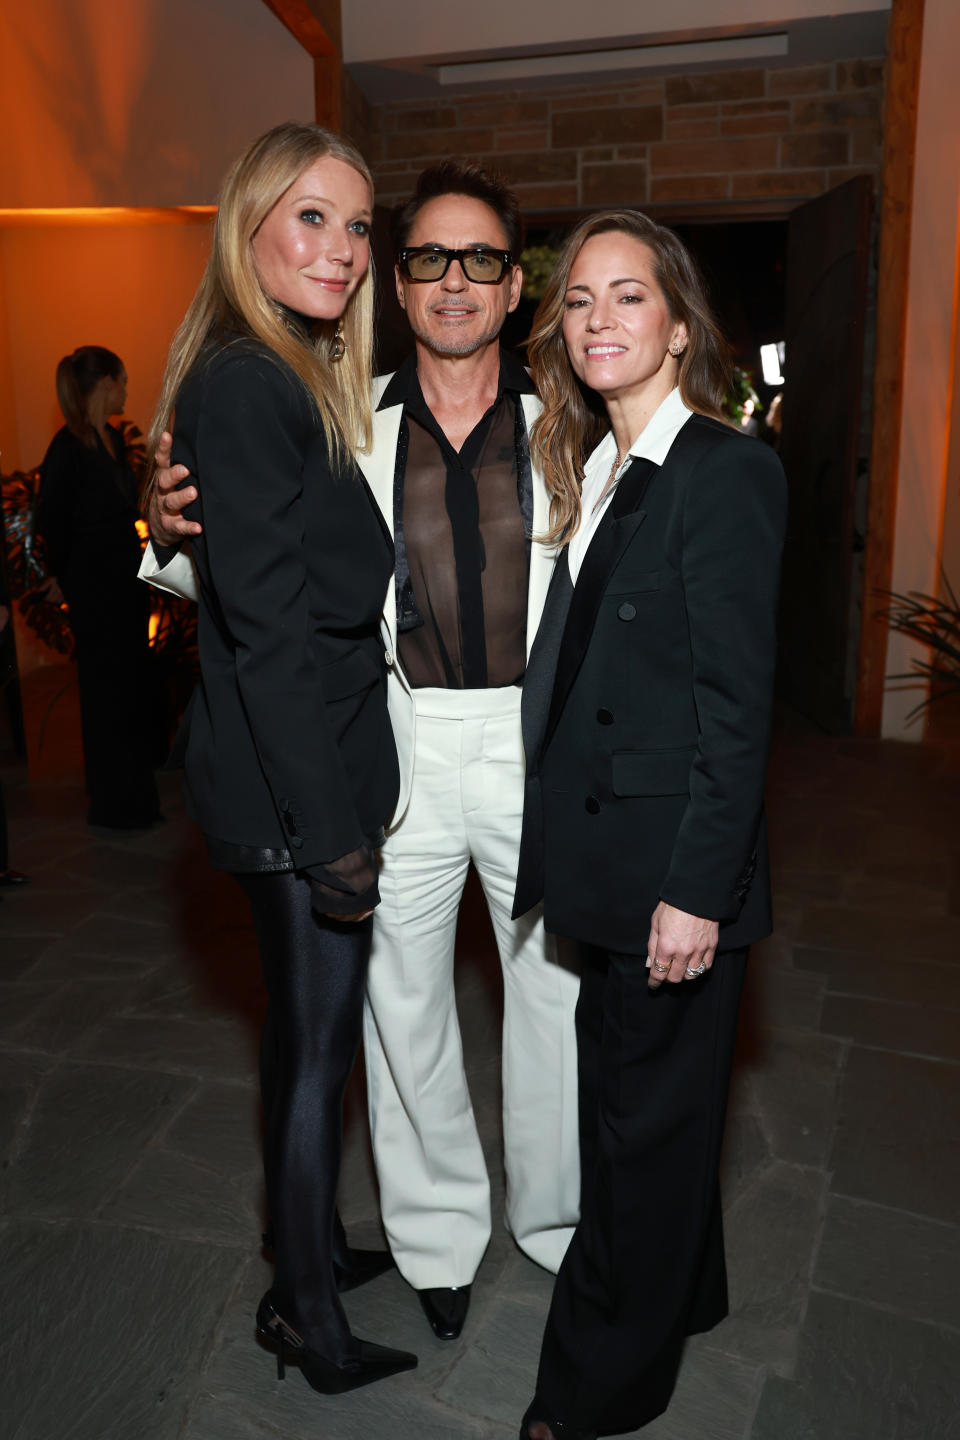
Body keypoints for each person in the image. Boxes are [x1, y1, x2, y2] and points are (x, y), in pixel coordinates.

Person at [142, 162, 580, 1342]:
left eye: (481, 260)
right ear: (400, 278)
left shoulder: (569, 429)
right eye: (429, 257)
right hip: (393, 743)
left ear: (512, 288)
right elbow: (244, 572)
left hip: (534, 746)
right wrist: (165, 515)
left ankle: (557, 1224)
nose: (453, 281)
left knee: (553, 995)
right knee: (401, 1008)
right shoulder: (346, 412)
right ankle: (436, 1240)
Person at [143, 121, 416, 1395]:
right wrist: (334, 832)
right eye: (313, 217)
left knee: (303, 1039)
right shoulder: (253, 380)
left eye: (358, 226)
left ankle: (302, 1246)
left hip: (291, 772)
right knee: (316, 1052)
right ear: (248, 225)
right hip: (292, 785)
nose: (344, 250)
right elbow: (268, 634)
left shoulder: (281, 372)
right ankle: (306, 1315)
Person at [512, 211, 787, 1439]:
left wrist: (698, 888)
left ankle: (597, 1384)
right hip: (609, 862)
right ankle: (694, 1292)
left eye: (630, 297)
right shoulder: (609, 467)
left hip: (671, 874)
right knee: (653, 1113)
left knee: (634, 1136)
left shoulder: (724, 471)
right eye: (579, 301)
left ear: (679, 327)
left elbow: (737, 710)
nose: (600, 320)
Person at [37, 347, 162, 829]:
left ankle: (135, 796)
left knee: (128, 694)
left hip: (124, 590)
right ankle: (113, 804)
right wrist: (67, 581)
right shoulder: (66, 449)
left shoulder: (108, 438)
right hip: (95, 595)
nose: (127, 391)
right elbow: (54, 523)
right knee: (105, 698)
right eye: (123, 381)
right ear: (104, 383)